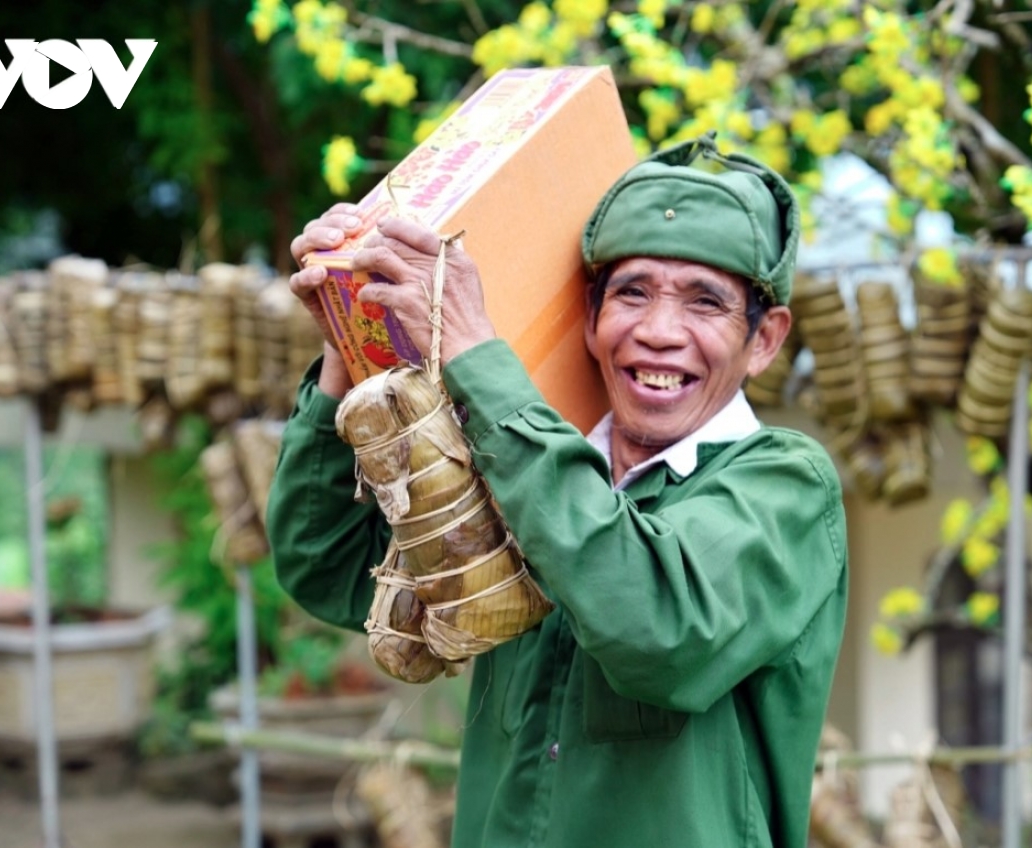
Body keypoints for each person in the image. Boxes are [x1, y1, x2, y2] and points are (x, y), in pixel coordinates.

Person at [267, 134, 848, 848]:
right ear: (592, 318)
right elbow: (325, 566)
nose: (660, 331)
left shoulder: (786, 485)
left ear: (764, 340)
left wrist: (479, 358)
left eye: (706, 302)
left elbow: (657, 629)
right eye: (632, 292)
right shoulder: (528, 463)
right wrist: (349, 339)